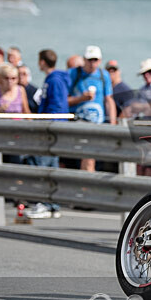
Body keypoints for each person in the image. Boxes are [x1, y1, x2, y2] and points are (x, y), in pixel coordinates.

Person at [26, 49, 68, 219]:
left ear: (43, 61)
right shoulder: (53, 79)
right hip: (51, 126)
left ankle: (46, 203)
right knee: (50, 165)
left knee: (44, 165)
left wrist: (48, 123)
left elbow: (57, 106)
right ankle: (52, 204)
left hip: (51, 127)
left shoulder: (55, 80)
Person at [67, 45, 116, 172]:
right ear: (84, 59)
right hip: (79, 123)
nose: (92, 63)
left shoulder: (103, 75)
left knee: (89, 158)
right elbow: (65, 101)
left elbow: (109, 99)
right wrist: (81, 99)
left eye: (95, 60)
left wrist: (113, 123)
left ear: (99, 61)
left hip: (97, 124)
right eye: (89, 60)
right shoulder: (74, 73)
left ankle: (86, 185)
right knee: (86, 157)